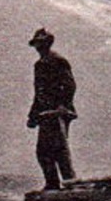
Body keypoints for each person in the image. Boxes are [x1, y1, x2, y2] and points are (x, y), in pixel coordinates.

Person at [26, 28, 78, 191]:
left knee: (58, 149)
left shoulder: (57, 60)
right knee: (44, 152)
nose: (38, 47)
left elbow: (70, 85)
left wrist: (62, 107)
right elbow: (39, 93)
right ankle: (53, 184)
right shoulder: (40, 64)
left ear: (48, 43)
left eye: (41, 43)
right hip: (45, 114)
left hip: (57, 113)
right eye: (37, 44)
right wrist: (33, 115)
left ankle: (69, 184)